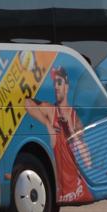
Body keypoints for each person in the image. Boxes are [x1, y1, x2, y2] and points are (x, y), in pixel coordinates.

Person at [24, 65, 93, 204]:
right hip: (61, 189)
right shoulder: (51, 110)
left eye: (59, 82)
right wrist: (48, 124)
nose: (56, 86)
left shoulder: (75, 119)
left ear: (67, 87)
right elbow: (27, 103)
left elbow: (87, 162)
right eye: (54, 83)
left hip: (77, 189)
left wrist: (71, 132)